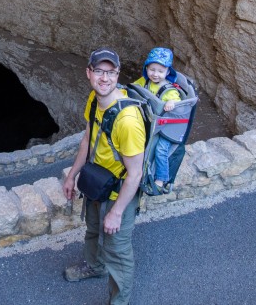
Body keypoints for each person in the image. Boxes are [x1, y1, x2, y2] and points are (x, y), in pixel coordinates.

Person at [62, 47, 146, 305]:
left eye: (111, 72)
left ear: (118, 74)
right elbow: (88, 138)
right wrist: (72, 175)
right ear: (89, 73)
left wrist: (117, 211)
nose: (105, 78)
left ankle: (119, 301)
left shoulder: (128, 121)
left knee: (117, 250)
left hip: (119, 191)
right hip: (97, 181)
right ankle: (94, 267)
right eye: (99, 71)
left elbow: (135, 174)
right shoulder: (94, 99)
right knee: (92, 229)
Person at [133, 47, 182, 193]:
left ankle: (161, 179)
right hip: (151, 123)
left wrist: (172, 103)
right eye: (152, 69)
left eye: (160, 71)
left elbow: (177, 103)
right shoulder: (145, 81)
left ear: (168, 72)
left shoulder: (170, 90)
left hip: (166, 128)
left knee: (161, 150)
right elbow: (135, 87)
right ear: (146, 68)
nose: (155, 74)